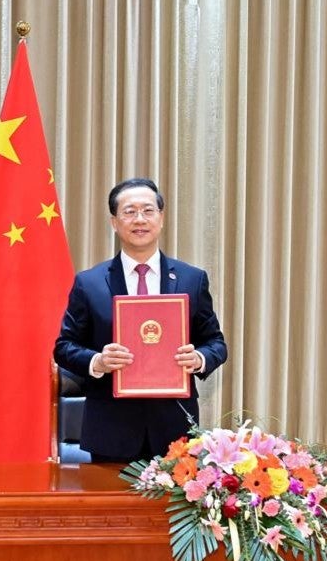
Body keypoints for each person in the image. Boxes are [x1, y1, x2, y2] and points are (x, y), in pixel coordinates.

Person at [54, 178, 227, 463]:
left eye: (148, 211)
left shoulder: (191, 279)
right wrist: (97, 360)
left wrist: (198, 358)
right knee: (111, 509)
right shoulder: (90, 283)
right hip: (111, 430)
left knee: (171, 510)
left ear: (161, 218)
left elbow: (216, 343)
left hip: (175, 430)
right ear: (114, 221)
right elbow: (64, 347)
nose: (140, 220)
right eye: (129, 211)